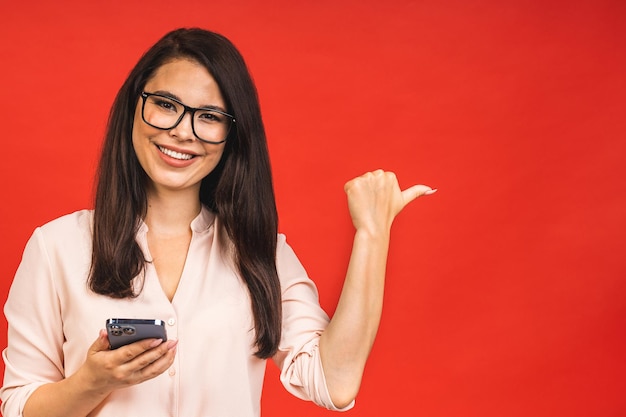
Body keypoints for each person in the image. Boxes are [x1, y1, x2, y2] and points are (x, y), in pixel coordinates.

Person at [0, 28, 436, 417]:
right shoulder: (56, 246)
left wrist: (372, 234)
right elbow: (19, 407)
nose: (182, 132)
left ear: (233, 136)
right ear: (134, 108)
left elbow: (334, 383)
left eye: (209, 116)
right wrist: (91, 382)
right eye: (166, 105)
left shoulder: (259, 252)